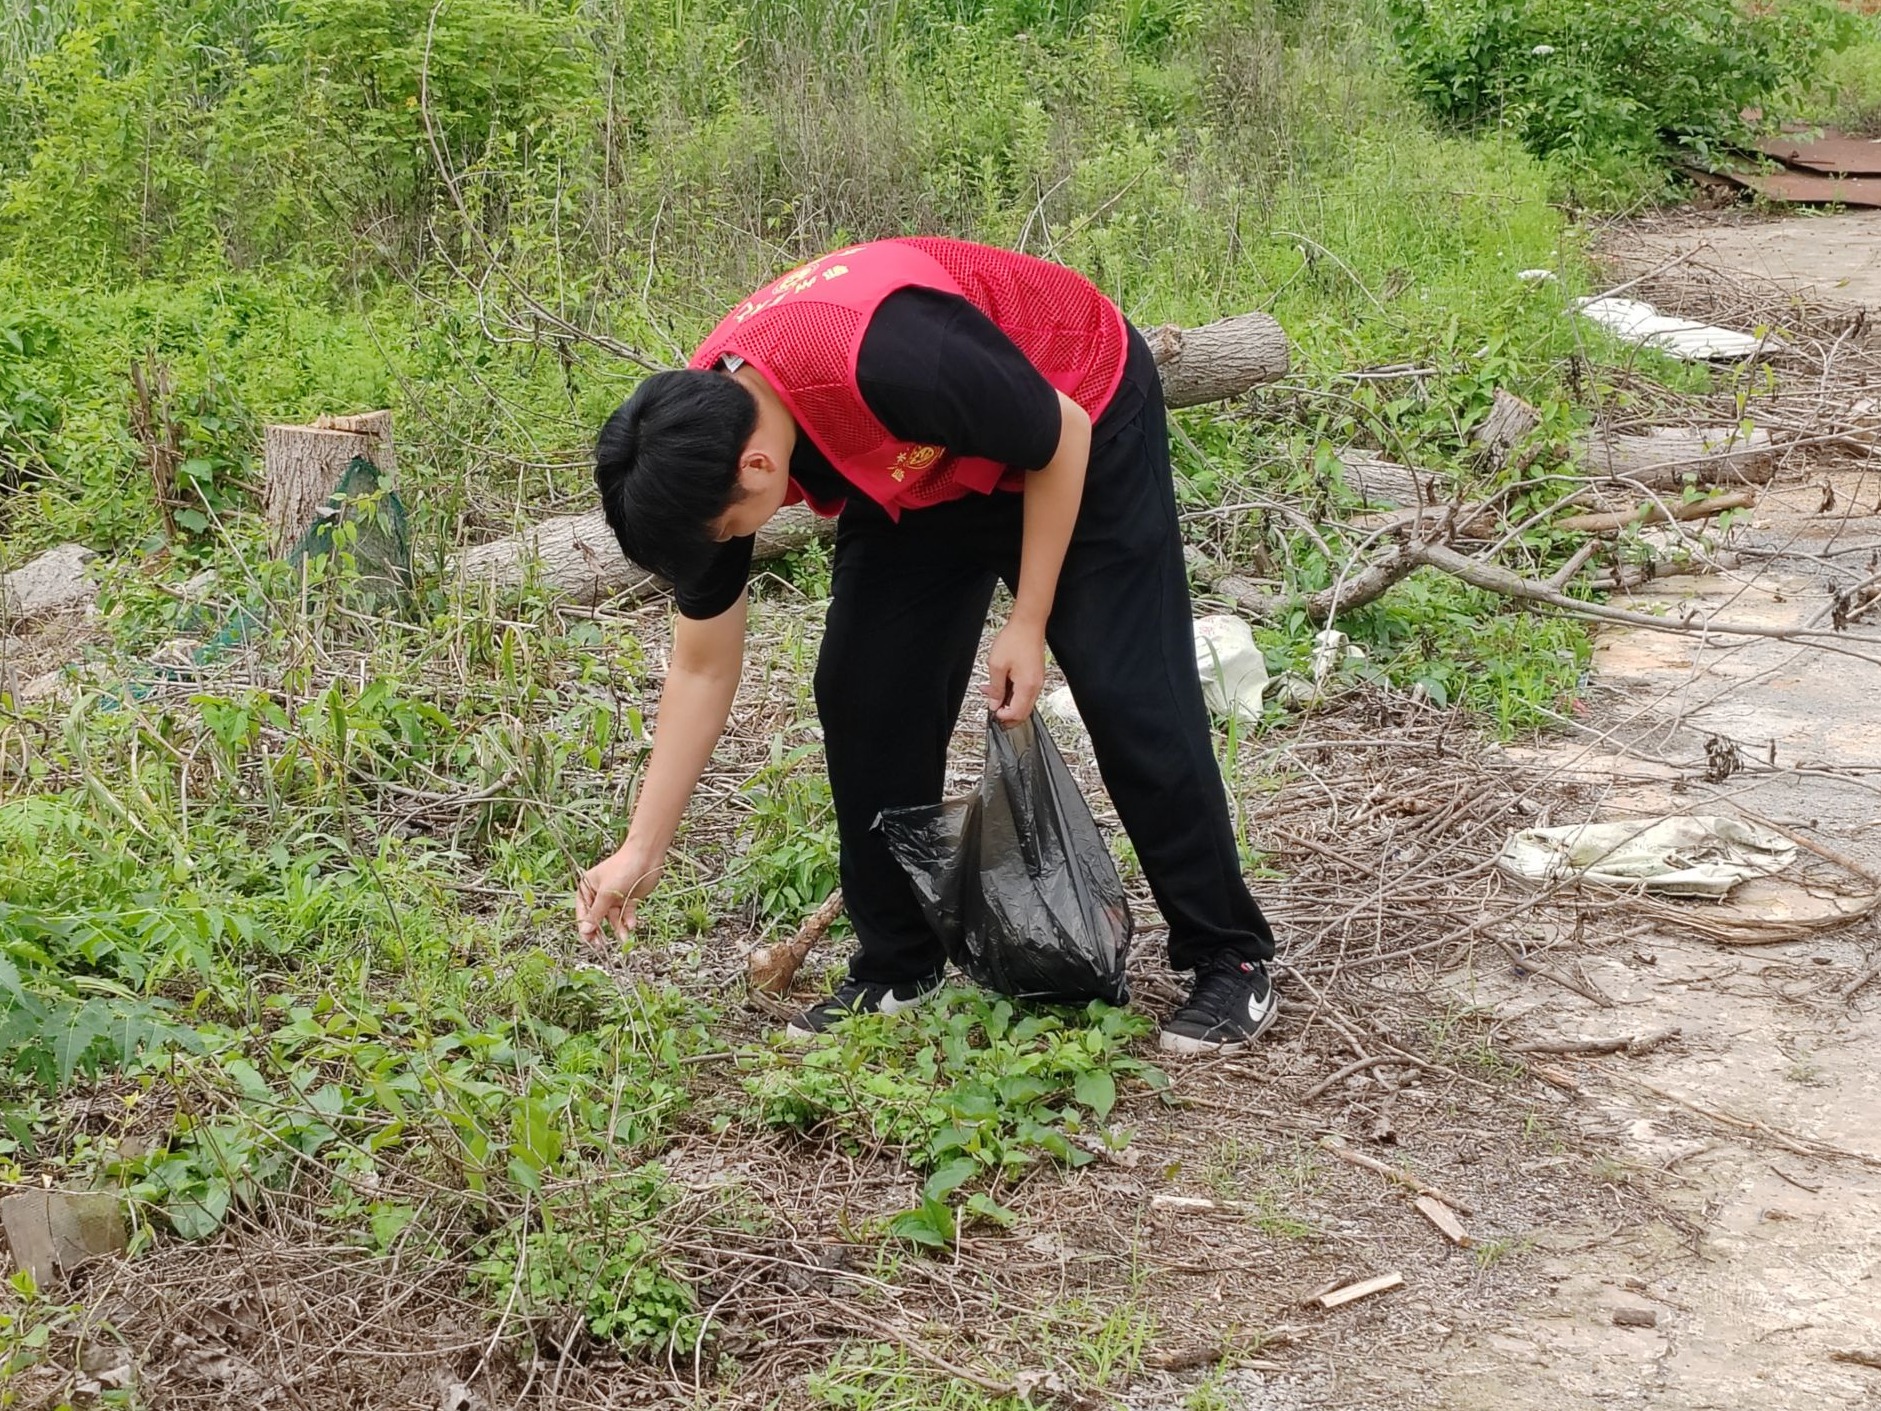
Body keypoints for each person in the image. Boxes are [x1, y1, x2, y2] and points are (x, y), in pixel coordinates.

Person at [576, 237, 1280, 1054]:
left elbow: (1059, 433)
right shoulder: (696, 449)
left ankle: (1228, 953)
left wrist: (1027, 623)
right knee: (865, 690)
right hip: (920, 463)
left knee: (1128, 690)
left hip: (1076, 415)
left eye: (733, 529)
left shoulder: (888, 356)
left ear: (759, 466)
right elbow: (702, 666)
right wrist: (641, 846)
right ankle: (897, 966)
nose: (729, 543)